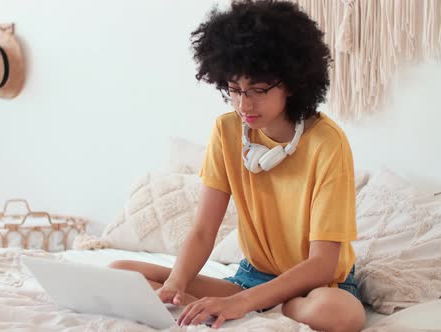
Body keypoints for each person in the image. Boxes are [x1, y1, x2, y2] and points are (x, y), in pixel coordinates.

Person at [109, 1, 366, 330]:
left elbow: (322, 264)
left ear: (293, 82)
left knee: (341, 314)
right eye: (234, 90)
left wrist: (241, 303)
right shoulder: (226, 131)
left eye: (258, 90)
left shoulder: (327, 143)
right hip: (252, 279)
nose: (244, 104)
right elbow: (203, 231)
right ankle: (246, 305)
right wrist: (174, 287)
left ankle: (279, 308)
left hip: (318, 286)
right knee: (121, 271)